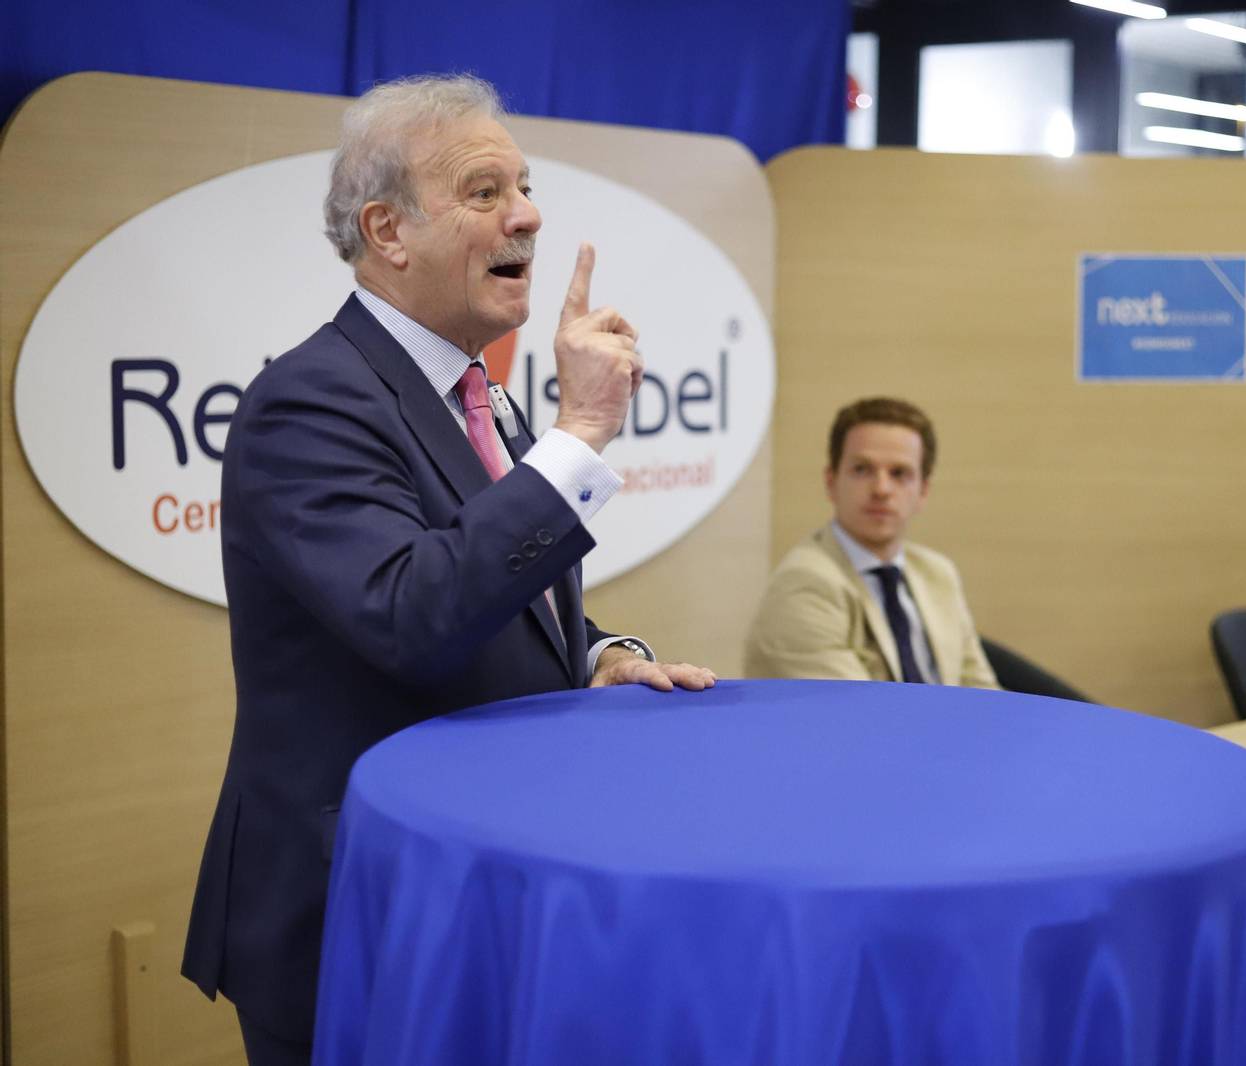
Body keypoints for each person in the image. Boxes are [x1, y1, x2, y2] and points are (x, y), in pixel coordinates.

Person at [180, 75, 717, 1066]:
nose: (528, 213)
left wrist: (595, 655)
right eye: (484, 192)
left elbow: (489, 594)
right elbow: (409, 614)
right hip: (361, 907)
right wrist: (583, 431)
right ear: (387, 230)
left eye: (524, 185)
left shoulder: (478, 390)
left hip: (473, 886)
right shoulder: (306, 403)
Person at [745, 397, 998, 688]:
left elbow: (984, 694)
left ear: (923, 491)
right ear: (831, 481)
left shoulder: (937, 573)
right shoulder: (804, 587)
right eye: (862, 470)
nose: (881, 489)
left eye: (899, 474)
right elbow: (862, 718)